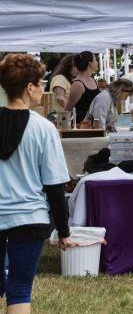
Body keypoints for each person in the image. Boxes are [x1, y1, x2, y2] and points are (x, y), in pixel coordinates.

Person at [0, 54, 79, 312]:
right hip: (30, 218)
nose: (43, 88)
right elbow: (55, 186)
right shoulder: (44, 129)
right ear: (29, 87)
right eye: (40, 83)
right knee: (21, 289)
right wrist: (64, 231)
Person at [63, 51, 100, 124]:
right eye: (95, 60)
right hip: (80, 126)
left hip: (93, 125)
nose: (97, 62)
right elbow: (68, 109)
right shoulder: (78, 84)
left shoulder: (93, 80)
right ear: (90, 63)